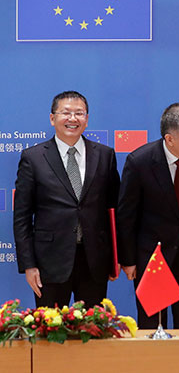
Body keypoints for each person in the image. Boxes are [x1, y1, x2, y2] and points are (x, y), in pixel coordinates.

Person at [13, 91, 120, 308]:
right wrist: (29, 265)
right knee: (50, 333)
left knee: (94, 332)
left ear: (87, 119)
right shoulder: (33, 158)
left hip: (94, 261)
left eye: (79, 113)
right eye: (66, 113)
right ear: (52, 118)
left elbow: (114, 209)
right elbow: (22, 217)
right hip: (49, 262)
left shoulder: (105, 155)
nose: (73, 119)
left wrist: (115, 259)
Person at [117, 103, 179, 328]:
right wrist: (129, 260)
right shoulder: (140, 162)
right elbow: (126, 216)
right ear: (170, 139)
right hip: (153, 260)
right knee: (152, 329)